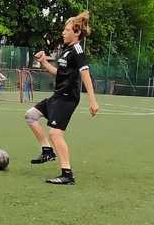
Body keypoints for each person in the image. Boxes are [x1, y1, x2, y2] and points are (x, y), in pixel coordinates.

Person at [24, 11, 99, 185]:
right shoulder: (67, 51)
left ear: (77, 32)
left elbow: (85, 73)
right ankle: (47, 151)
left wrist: (92, 100)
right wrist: (44, 62)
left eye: (66, 30)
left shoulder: (78, 50)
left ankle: (67, 174)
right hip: (58, 96)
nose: (63, 33)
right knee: (31, 116)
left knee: (55, 134)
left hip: (67, 98)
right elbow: (60, 73)